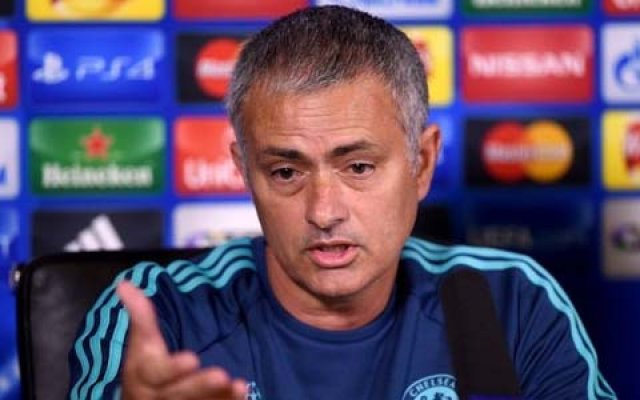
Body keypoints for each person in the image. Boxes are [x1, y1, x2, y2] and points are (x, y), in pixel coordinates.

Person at [68, 5, 616, 400]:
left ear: (422, 163)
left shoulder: (510, 301)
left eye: (358, 167)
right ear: (244, 171)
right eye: (286, 172)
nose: (324, 211)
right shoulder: (158, 317)